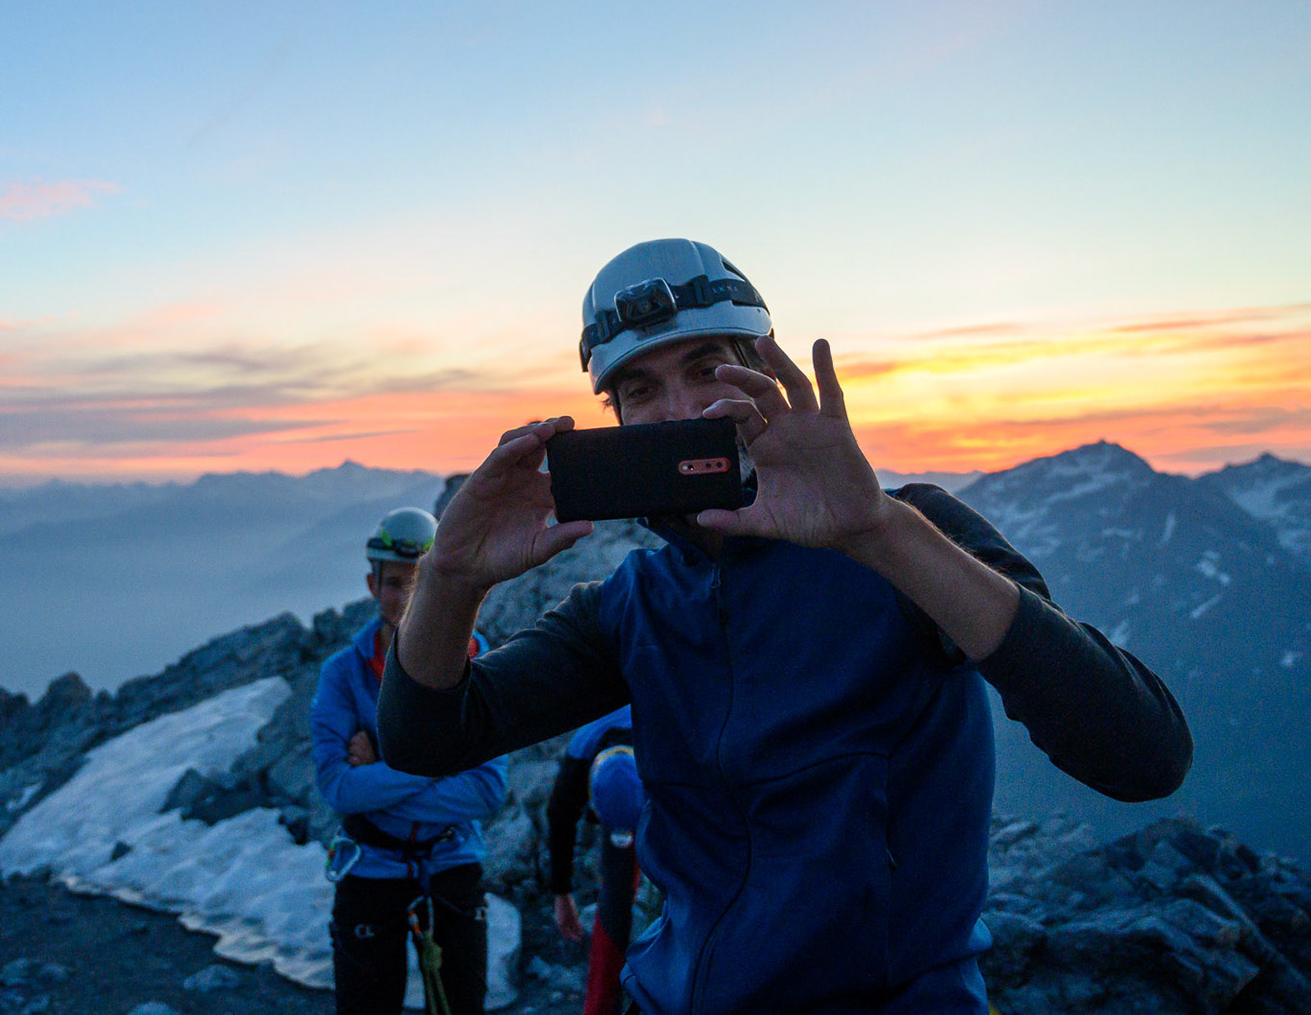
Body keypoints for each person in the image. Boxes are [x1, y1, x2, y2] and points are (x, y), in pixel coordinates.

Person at [379, 238, 1193, 1015]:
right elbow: (426, 741)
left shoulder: (905, 535)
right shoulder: (632, 604)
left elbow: (1143, 753)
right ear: (617, 421)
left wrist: (875, 531)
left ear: (767, 368)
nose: (679, 410)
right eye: (639, 390)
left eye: (706, 367)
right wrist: (450, 579)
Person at [312, 507, 509, 1015]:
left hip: (443, 864)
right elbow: (337, 788)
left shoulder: (481, 662)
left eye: (418, 583)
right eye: (394, 583)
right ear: (372, 585)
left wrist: (384, 768)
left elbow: (488, 790)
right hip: (378, 866)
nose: (404, 598)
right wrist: (442, 760)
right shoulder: (343, 673)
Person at [544, 706, 643, 1015]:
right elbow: (559, 825)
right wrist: (562, 895)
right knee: (616, 896)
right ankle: (600, 1007)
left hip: (663, 786)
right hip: (626, 781)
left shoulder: (675, 743)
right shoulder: (579, 760)